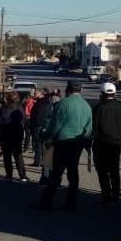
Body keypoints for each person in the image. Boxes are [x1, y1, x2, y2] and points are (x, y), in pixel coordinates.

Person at [36, 80, 93, 211]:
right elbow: (89, 129)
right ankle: (71, 203)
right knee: (73, 173)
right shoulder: (86, 106)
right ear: (81, 90)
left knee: (56, 173)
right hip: (77, 143)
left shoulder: (63, 103)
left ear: (68, 89)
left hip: (63, 142)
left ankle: (46, 202)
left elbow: (55, 125)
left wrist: (46, 136)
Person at [92, 82, 121, 204]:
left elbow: (94, 127)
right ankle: (115, 194)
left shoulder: (98, 108)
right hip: (116, 143)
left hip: (101, 142)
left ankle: (106, 193)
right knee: (114, 169)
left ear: (102, 94)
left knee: (102, 170)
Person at [0, 92, 28, 181]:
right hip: (17, 134)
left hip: (5, 134)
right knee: (18, 156)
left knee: (7, 156)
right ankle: (22, 175)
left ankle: (9, 175)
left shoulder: (5, 108)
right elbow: (24, 119)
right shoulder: (20, 108)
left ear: (8, 99)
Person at [30, 90, 55, 174]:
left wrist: (36, 125)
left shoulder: (40, 104)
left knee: (39, 146)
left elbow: (38, 117)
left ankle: (39, 164)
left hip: (40, 127)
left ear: (41, 94)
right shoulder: (46, 102)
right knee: (46, 150)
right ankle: (46, 170)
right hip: (46, 128)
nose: (34, 95)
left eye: (35, 93)